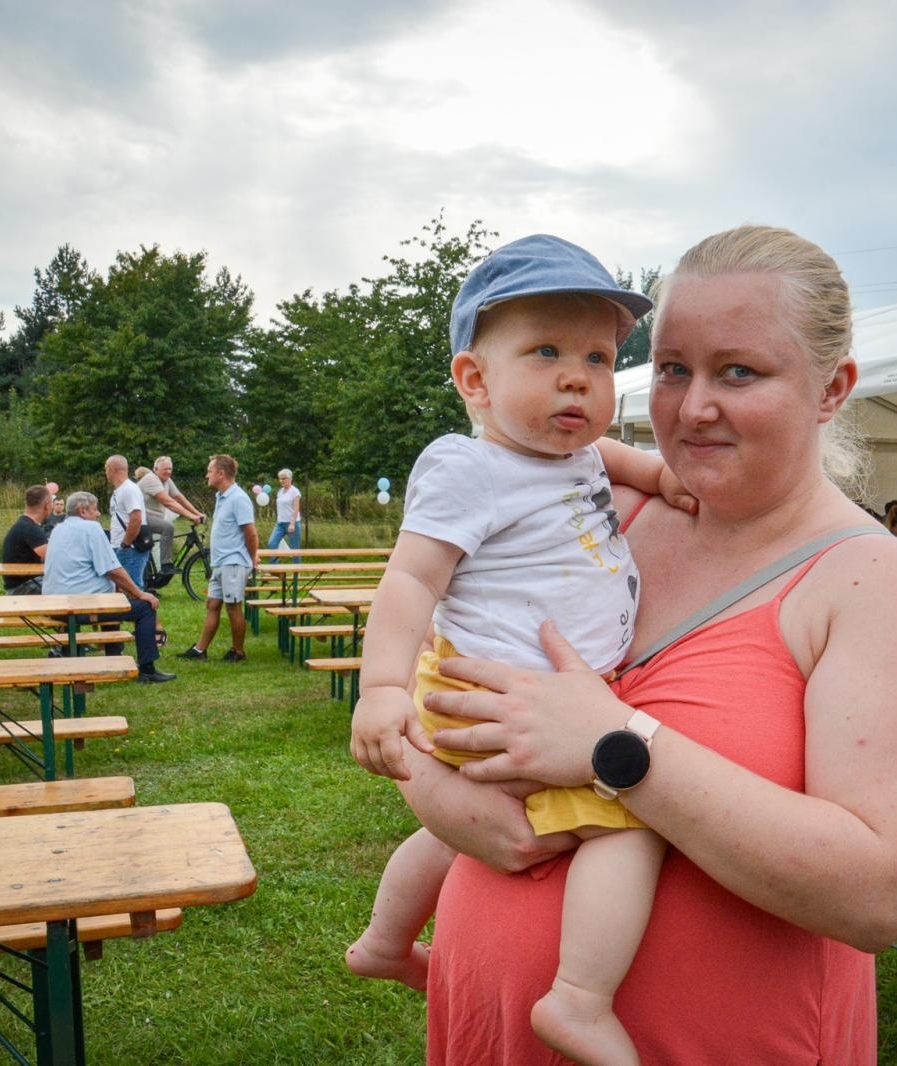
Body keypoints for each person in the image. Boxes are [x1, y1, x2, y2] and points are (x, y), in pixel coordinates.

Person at [389, 225, 897, 1064]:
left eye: (739, 371)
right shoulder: (597, 511)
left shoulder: (872, 583)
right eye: (671, 369)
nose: (693, 407)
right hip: (491, 1031)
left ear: (831, 388)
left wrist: (617, 747)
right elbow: (432, 669)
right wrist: (439, 799)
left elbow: (876, 896)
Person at [346, 235, 690, 1063]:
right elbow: (409, 582)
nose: (578, 377)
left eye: (598, 358)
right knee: (629, 823)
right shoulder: (470, 469)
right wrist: (382, 687)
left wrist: (658, 476)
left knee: (452, 831)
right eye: (546, 352)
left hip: (524, 695)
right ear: (475, 380)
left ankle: (385, 940)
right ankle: (578, 998)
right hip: (499, 698)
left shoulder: (576, 454)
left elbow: (613, 457)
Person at [42, 492, 175, 684]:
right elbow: (112, 569)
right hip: (80, 608)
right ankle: (147, 669)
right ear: (83, 511)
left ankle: (114, 658)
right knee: (146, 608)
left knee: (113, 597)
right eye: (95, 509)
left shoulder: (58, 529)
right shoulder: (91, 528)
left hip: (55, 606)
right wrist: (140, 593)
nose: (98, 514)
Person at [179, 454, 257, 662]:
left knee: (233, 607)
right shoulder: (221, 497)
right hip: (220, 562)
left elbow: (250, 533)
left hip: (233, 562)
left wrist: (253, 557)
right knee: (212, 604)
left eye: (210, 471)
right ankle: (200, 650)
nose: (207, 475)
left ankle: (238, 652)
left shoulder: (238, 498)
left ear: (221, 474)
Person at [137, 456, 206, 577]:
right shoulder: (151, 479)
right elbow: (169, 502)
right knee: (167, 527)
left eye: (170, 469)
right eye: (165, 469)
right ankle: (166, 565)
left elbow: (180, 498)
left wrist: (197, 513)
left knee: (155, 545)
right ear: (155, 469)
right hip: (140, 517)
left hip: (154, 517)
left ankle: (155, 578)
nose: (168, 471)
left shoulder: (167, 480)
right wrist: (191, 516)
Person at [103, 455, 150, 590]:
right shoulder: (119, 491)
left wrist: (125, 544)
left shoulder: (129, 489)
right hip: (120, 545)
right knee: (120, 588)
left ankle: (137, 605)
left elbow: (136, 518)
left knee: (132, 588)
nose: (106, 473)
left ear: (111, 469)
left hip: (130, 548)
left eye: (106, 469)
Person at [0, 485, 53, 594]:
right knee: (68, 588)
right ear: (47, 505)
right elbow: (53, 556)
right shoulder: (30, 528)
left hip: (20, 583)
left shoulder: (23, 524)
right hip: (22, 587)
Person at [268, 469, 302, 551]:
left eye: (283, 478)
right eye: (280, 479)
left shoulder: (295, 491)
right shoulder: (280, 491)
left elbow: (296, 508)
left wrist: (292, 524)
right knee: (272, 544)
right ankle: (275, 559)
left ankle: (296, 560)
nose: (281, 481)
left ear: (290, 478)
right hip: (280, 523)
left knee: (294, 549)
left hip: (292, 523)